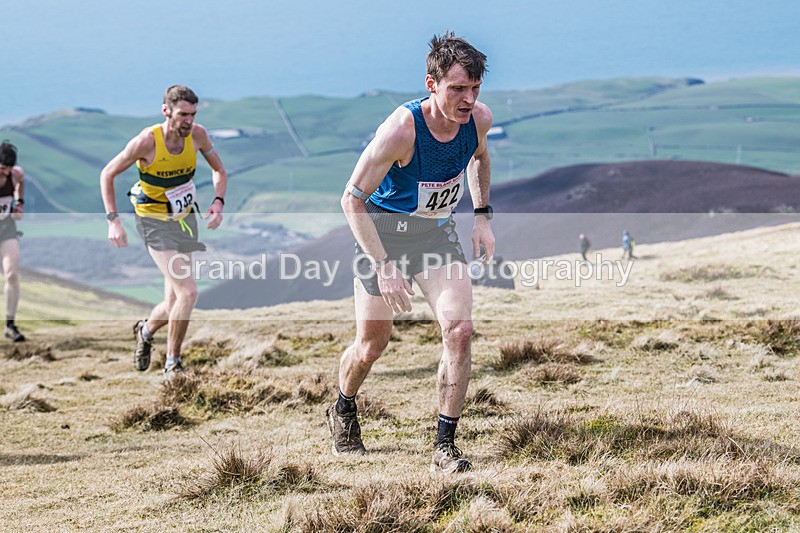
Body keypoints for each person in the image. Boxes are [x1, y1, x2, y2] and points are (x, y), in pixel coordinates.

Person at [328, 32, 494, 474]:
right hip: (381, 235)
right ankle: (343, 406)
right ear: (431, 83)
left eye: (475, 88)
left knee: (459, 331)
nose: (468, 98)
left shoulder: (478, 120)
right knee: (370, 346)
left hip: (435, 236)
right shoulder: (401, 131)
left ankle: (444, 445)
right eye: (458, 88)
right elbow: (351, 199)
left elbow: (479, 157)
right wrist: (383, 265)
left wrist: (481, 215)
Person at [100, 85, 227, 374]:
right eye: (182, 114)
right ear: (166, 111)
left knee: (173, 301)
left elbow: (219, 170)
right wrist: (113, 220)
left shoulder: (198, 135)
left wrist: (218, 201)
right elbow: (107, 173)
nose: (188, 121)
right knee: (189, 293)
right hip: (153, 220)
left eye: (192, 115)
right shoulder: (146, 142)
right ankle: (173, 364)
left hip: (184, 218)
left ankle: (145, 331)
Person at [0, 141, 26, 342]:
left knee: (11, 273)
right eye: (1, 168)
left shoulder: (16, 174)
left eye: (7, 169)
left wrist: (19, 203)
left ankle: (10, 324)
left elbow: (20, 183)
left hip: (7, 229)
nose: (4, 173)